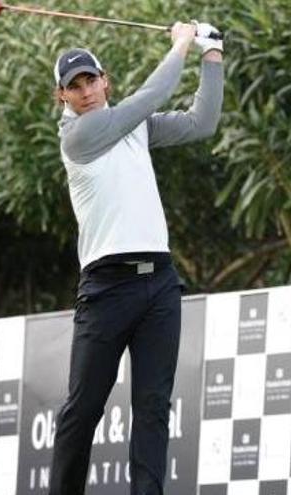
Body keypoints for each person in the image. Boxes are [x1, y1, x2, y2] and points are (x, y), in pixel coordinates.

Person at [48, 21, 223, 495]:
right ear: (61, 96)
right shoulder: (80, 137)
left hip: (159, 284)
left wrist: (212, 55)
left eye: (90, 80)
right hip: (106, 289)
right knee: (83, 408)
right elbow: (151, 95)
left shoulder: (134, 128)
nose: (85, 92)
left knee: (152, 406)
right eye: (74, 86)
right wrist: (183, 43)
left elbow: (201, 123)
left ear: (104, 80)